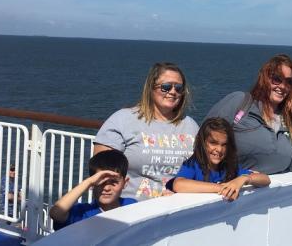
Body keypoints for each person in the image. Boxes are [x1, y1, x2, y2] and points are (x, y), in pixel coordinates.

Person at [94, 62, 199, 200]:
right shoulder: (123, 120)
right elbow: (101, 170)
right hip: (130, 208)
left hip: (176, 210)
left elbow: (201, 170)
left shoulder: (191, 126)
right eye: (166, 87)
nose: (173, 92)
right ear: (151, 88)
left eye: (178, 88)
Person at [206, 54, 292, 174]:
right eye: (277, 79)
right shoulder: (239, 102)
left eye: (288, 82)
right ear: (264, 79)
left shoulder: (288, 118)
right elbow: (203, 138)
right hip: (231, 188)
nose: (282, 86)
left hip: (272, 190)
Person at [165, 118, 270, 201]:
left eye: (224, 145)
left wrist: (244, 179)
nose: (219, 149)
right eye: (213, 143)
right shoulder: (193, 165)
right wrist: (222, 188)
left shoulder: (228, 168)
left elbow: (265, 179)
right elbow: (178, 184)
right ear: (202, 142)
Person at [49, 149, 137, 230]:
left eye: (113, 182)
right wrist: (88, 182)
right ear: (92, 184)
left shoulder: (131, 205)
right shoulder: (82, 213)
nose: (106, 188)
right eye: (101, 182)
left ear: (125, 183)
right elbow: (56, 213)